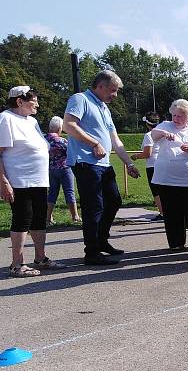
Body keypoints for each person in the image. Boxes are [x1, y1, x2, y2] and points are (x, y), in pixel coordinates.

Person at [64, 70, 140, 266]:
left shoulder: (104, 108)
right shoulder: (80, 99)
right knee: (94, 208)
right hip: (86, 162)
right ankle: (92, 252)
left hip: (103, 165)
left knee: (113, 201)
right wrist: (93, 143)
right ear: (101, 86)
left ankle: (101, 241)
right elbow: (69, 125)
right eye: (113, 90)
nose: (115, 95)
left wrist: (129, 163)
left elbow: (115, 139)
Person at [0, 86, 65, 277]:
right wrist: (3, 181)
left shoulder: (32, 121)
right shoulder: (6, 119)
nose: (37, 104)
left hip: (39, 179)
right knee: (22, 219)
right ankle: (17, 264)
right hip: (20, 180)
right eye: (33, 100)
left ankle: (40, 258)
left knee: (38, 218)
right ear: (19, 102)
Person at [149, 99, 188, 251]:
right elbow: (153, 135)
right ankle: (176, 242)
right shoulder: (165, 125)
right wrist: (164, 133)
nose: (176, 119)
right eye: (174, 115)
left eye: (180, 116)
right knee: (172, 212)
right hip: (166, 179)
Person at [45, 115, 80, 225]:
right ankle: (75, 217)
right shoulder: (62, 141)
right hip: (65, 169)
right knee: (69, 192)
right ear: (59, 128)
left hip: (50, 170)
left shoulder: (44, 140)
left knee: (51, 194)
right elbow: (72, 154)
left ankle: (48, 217)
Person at [131, 112, 163, 220]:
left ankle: (162, 213)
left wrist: (136, 156)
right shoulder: (163, 133)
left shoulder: (149, 135)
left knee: (156, 191)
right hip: (164, 163)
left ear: (147, 124)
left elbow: (147, 153)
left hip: (153, 165)